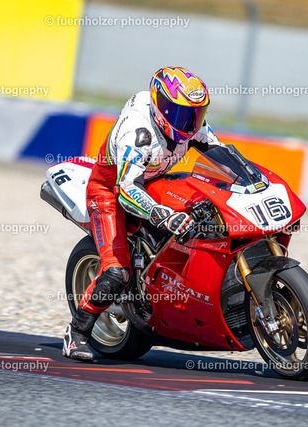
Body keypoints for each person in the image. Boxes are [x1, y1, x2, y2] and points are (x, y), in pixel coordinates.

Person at [63, 66, 223, 361]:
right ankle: (77, 333)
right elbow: (126, 190)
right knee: (117, 272)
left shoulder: (192, 126)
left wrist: (252, 179)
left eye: (196, 114)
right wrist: (163, 215)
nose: (189, 123)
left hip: (152, 182)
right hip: (110, 191)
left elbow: (219, 152)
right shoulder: (137, 133)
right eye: (181, 114)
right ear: (161, 106)